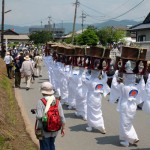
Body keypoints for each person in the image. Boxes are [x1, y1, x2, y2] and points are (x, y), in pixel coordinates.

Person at [35, 82, 66, 150]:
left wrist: (37, 112)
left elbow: (39, 116)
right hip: (55, 129)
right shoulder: (57, 102)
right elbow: (61, 117)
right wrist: (63, 128)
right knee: (52, 144)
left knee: (45, 146)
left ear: (42, 92)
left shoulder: (41, 102)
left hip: (44, 129)